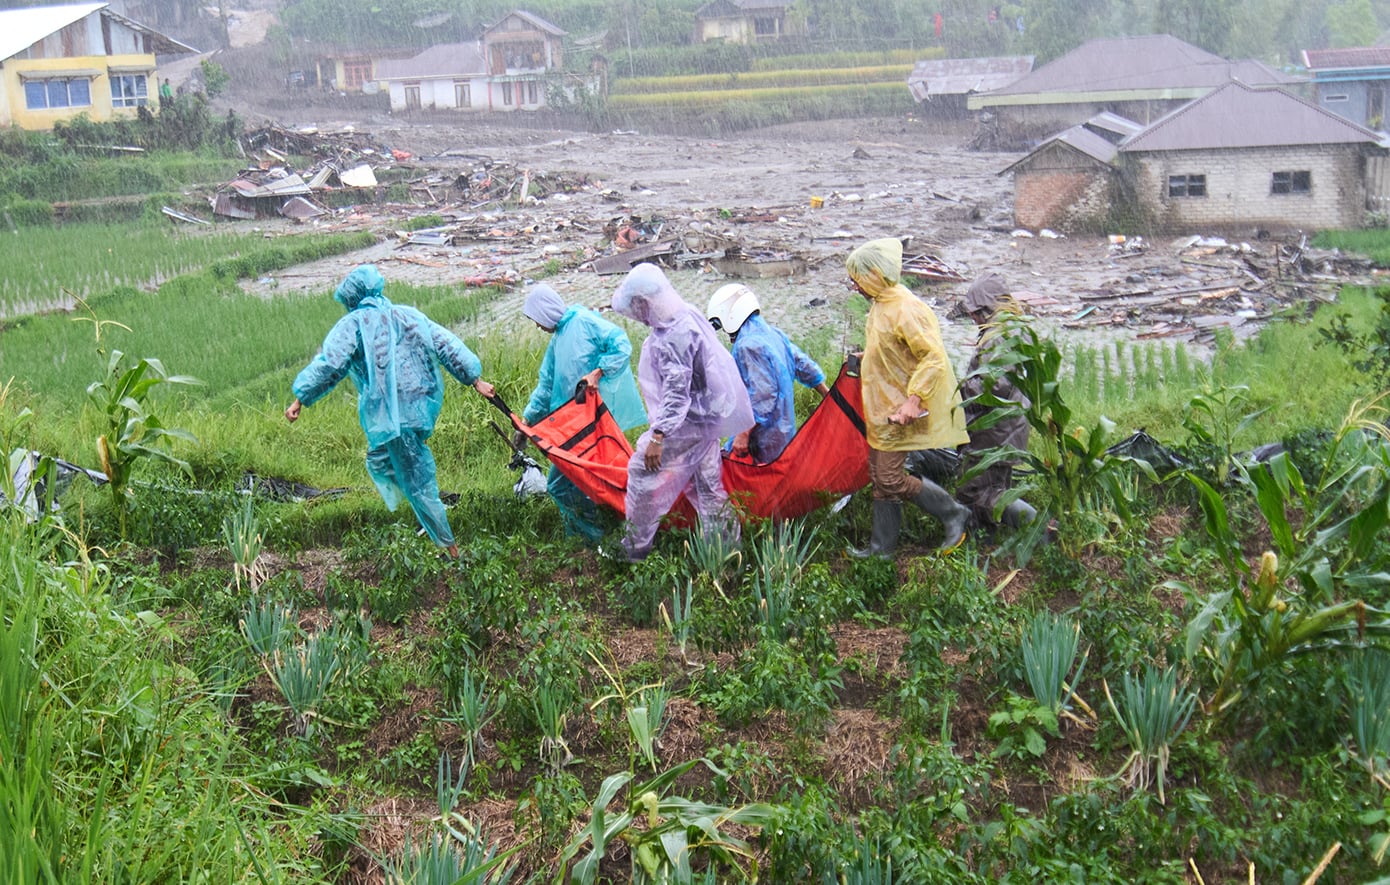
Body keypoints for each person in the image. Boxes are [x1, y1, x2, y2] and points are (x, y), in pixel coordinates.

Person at [285, 264, 494, 558]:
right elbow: (447, 344)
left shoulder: (354, 323)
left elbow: (331, 364)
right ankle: (426, 515)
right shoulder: (409, 314)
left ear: (352, 298)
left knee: (417, 481)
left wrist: (301, 398)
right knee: (381, 460)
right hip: (419, 405)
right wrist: (474, 378)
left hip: (395, 415)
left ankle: (451, 550)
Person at [611, 264, 753, 562]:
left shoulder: (675, 335)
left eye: (636, 306)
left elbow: (677, 394)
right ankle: (725, 551)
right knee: (706, 486)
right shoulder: (683, 315)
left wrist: (659, 436)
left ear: (644, 301)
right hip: (706, 419)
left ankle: (634, 549)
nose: (635, 313)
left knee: (642, 474)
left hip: (686, 424)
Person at [845, 238, 971, 557]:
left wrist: (914, 400)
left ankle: (953, 512)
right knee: (879, 476)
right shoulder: (881, 304)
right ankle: (881, 549)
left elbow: (933, 358)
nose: (853, 285)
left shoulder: (906, 308)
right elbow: (893, 350)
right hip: (882, 409)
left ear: (874, 274)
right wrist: (867, 357)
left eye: (857, 277)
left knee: (889, 476)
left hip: (901, 409)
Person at [515, 283, 647, 544]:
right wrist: (526, 422)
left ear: (546, 311)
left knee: (563, 485)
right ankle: (597, 533)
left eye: (537, 319)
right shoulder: (557, 340)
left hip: (591, 423)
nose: (538, 326)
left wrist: (598, 372)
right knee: (580, 482)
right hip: (570, 427)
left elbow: (621, 344)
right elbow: (545, 385)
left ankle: (594, 537)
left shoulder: (584, 321)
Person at [706, 283, 829, 463]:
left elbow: (763, 395)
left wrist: (744, 433)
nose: (724, 330)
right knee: (782, 472)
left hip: (762, 436)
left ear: (729, 315)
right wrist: (827, 393)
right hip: (784, 430)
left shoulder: (746, 345)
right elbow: (803, 365)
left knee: (758, 482)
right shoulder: (772, 333)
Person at [958, 273, 1038, 530]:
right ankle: (987, 542)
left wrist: (960, 388)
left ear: (985, 309)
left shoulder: (998, 336)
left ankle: (1039, 525)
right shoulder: (1015, 328)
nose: (972, 317)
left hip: (994, 430)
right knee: (995, 486)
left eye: (974, 311)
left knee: (975, 492)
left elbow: (996, 384)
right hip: (1011, 427)